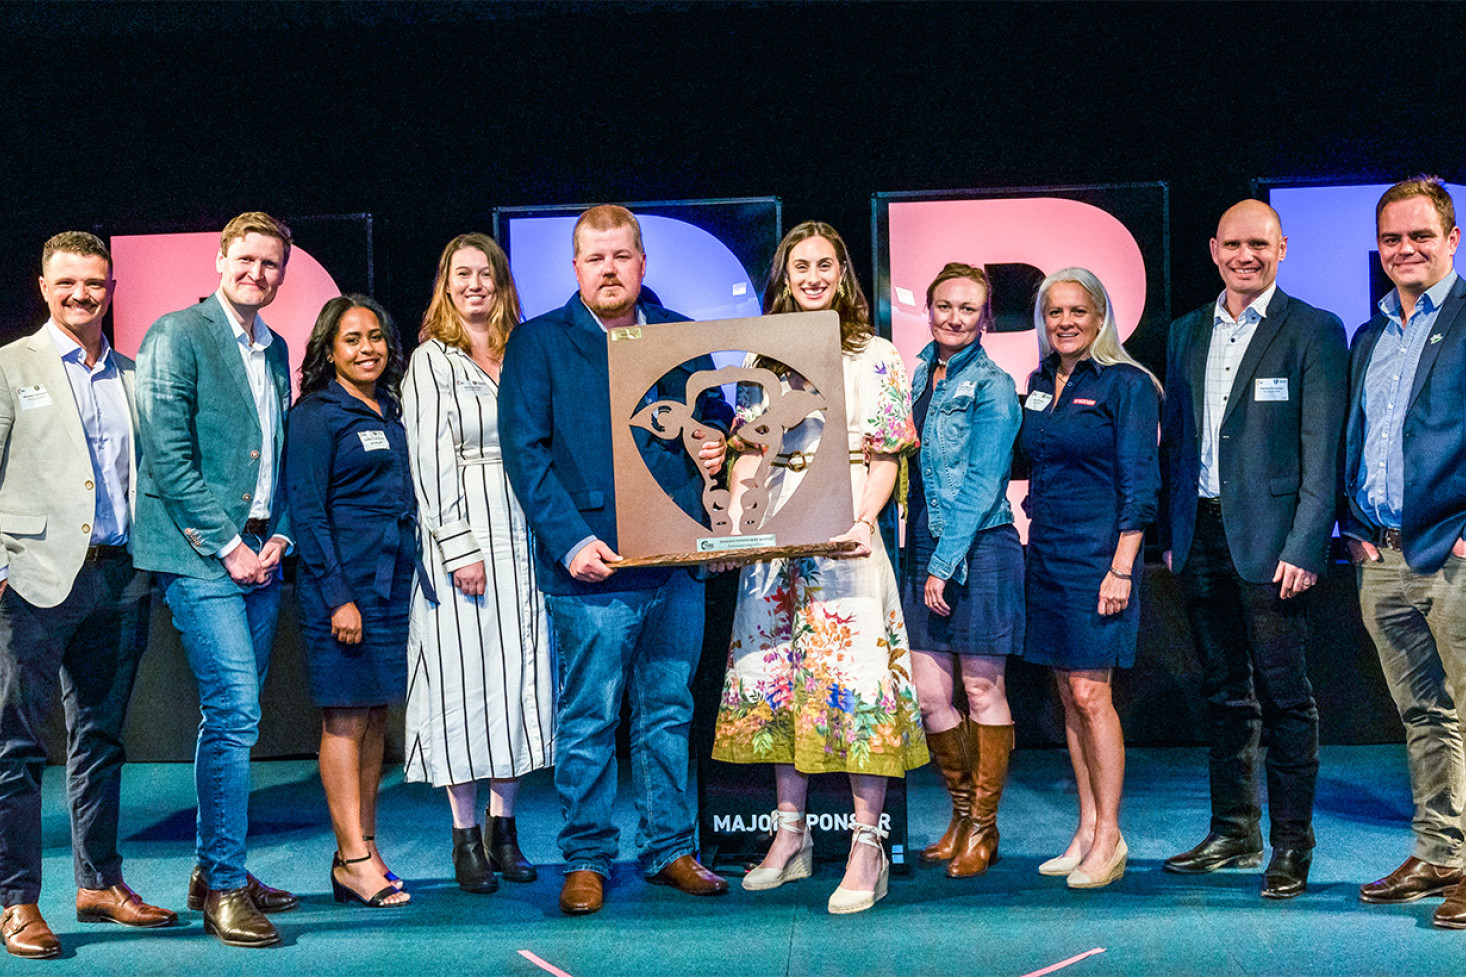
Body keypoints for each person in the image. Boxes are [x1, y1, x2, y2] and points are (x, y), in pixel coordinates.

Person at [500, 205, 731, 916]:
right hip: (590, 563)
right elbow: (525, 454)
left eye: (621, 256)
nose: (609, 269)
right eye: (595, 257)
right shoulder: (539, 343)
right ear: (575, 268)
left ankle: (670, 847)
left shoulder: (678, 334)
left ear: (641, 263)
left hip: (674, 557)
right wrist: (569, 540)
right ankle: (587, 856)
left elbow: (714, 412)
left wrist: (717, 442)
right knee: (590, 716)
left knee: (668, 709)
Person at [712, 221, 926, 915]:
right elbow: (748, 451)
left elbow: (889, 452)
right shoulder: (764, 360)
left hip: (848, 537)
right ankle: (790, 836)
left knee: (856, 684)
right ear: (783, 277)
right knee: (780, 680)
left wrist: (865, 522)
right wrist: (740, 520)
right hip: (777, 543)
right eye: (798, 265)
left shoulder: (878, 354)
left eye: (823, 264)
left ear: (842, 273)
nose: (811, 275)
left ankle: (868, 844)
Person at [1157, 200, 1347, 899]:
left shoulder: (1314, 330)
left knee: (1284, 696)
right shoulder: (1183, 332)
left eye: (1259, 245)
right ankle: (1235, 829)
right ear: (1213, 249)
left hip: (1276, 545)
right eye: (1233, 244)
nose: (1246, 256)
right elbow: (1179, 441)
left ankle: (1293, 844)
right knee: (1223, 693)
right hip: (1200, 535)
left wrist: (1307, 542)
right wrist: (1174, 535)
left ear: (1283, 248)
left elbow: (1322, 453)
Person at [0, 233, 176, 959]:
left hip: (117, 576)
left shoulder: (134, 375)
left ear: (112, 286)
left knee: (100, 740)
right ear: (43, 286)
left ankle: (99, 880)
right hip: (32, 583)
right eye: (68, 282)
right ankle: (15, 900)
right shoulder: (12, 366)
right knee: (15, 747)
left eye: (95, 282)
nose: (82, 295)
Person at [134, 212, 300, 948]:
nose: (258, 273)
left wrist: (278, 537)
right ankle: (226, 888)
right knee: (235, 711)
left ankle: (213, 866)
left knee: (232, 716)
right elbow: (167, 458)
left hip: (261, 555)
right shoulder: (178, 333)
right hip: (199, 557)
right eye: (247, 260)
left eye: (271, 264)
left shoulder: (276, 347)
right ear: (220, 260)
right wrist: (233, 546)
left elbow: (278, 452)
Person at [402, 234, 554, 894]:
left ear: (501, 283)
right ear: (446, 283)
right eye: (462, 273)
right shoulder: (431, 361)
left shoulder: (520, 350)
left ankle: (505, 827)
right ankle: (465, 835)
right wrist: (459, 546)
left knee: (520, 678)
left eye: (485, 273)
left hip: (525, 535)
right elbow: (430, 462)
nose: (475, 284)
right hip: (463, 540)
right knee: (465, 687)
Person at [1342, 176, 1466, 929]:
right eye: (1393, 238)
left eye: (1421, 235)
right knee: (1424, 714)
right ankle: (1442, 852)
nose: (1406, 249)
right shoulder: (1370, 334)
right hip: (1382, 556)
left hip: (1454, 555)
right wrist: (1353, 528)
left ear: (1452, 239)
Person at [1020, 267, 1160, 890]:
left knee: (1091, 697)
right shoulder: (1038, 382)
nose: (1066, 322)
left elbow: (1141, 483)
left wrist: (1122, 568)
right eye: (1055, 312)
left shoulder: (1127, 384)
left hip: (1101, 560)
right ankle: (1085, 828)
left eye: (1079, 311)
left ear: (1101, 317)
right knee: (1067, 701)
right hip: (1045, 556)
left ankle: (1112, 836)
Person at [286, 295, 413, 908]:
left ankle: (361, 850)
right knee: (343, 718)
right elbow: (308, 514)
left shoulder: (390, 408)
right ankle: (354, 857)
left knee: (374, 719)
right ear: (329, 352)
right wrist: (339, 597)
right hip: (342, 590)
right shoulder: (316, 414)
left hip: (392, 587)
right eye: (352, 340)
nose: (367, 348)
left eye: (375, 337)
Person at [901, 262, 1023, 879]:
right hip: (921, 545)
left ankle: (984, 827)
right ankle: (960, 812)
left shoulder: (995, 385)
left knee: (981, 691)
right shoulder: (919, 370)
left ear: (986, 317)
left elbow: (982, 482)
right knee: (929, 696)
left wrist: (945, 563)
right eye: (944, 306)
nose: (954, 317)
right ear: (929, 308)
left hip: (979, 546)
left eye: (967, 309)